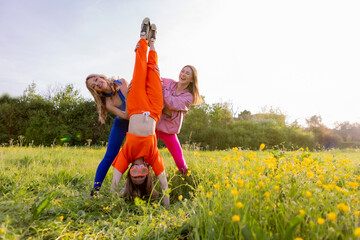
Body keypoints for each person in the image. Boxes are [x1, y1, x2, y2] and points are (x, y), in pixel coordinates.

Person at [111, 18, 170, 206]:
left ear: (130, 172)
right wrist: (166, 199)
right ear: (147, 170)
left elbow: (115, 179)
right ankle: (153, 43)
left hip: (136, 106)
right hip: (154, 110)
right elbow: (162, 179)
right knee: (153, 71)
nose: (138, 171)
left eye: (134, 174)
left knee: (140, 68)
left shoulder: (127, 154)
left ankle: (143, 38)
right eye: (142, 174)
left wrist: (114, 196)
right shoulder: (152, 156)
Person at [85, 72, 129, 197]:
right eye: (93, 86)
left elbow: (136, 101)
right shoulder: (108, 103)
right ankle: (95, 191)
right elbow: (126, 115)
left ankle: (129, 187)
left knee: (137, 154)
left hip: (137, 123)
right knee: (110, 156)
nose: (97, 84)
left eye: (96, 79)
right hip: (121, 124)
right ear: (96, 92)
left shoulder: (123, 82)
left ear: (102, 77)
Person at [156, 66, 203, 174]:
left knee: (180, 162)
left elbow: (171, 103)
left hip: (169, 129)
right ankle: (131, 184)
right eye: (182, 71)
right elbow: (155, 78)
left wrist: (162, 87)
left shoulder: (189, 97)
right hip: (155, 124)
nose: (183, 74)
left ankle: (188, 182)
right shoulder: (170, 83)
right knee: (144, 155)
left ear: (192, 79)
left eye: (187, 73)